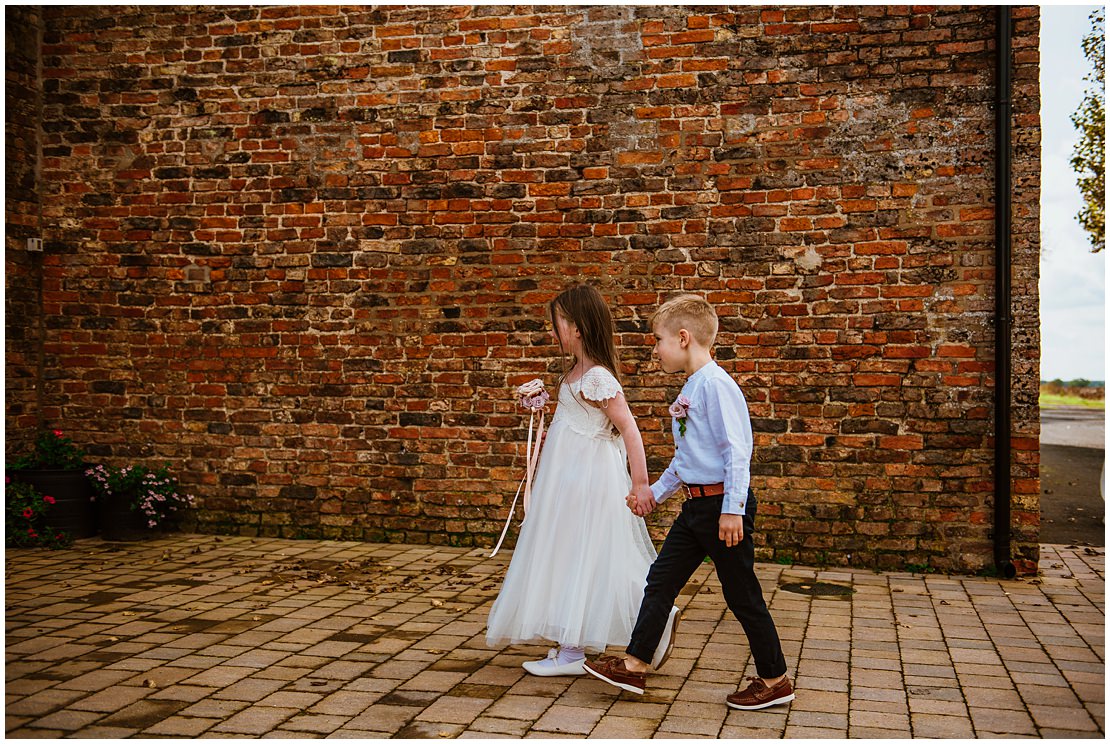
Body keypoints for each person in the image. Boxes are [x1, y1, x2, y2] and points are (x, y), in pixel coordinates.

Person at [584, 294, 795, 711]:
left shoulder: (716, 386)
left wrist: (733, 509)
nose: (655, 349)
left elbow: (737, 450)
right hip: (695, 509)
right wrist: (653, 496)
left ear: (683, 338)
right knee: (660, 581)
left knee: (742, 595)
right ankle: (634, 663)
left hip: (721, 511)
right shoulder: (692, 386)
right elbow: (688, 461)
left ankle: (775, 679)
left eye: (658, 340)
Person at [485, 284, 675, 676]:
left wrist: (641, 485)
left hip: (587, 478)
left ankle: (623, 630)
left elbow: (629, 430)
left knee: (587, 554)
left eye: (557, 325)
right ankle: (573, 646)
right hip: (567, 477)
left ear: (577, 328)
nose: (553, 333)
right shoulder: (575, 373)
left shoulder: (598, 377)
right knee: (575, 555)